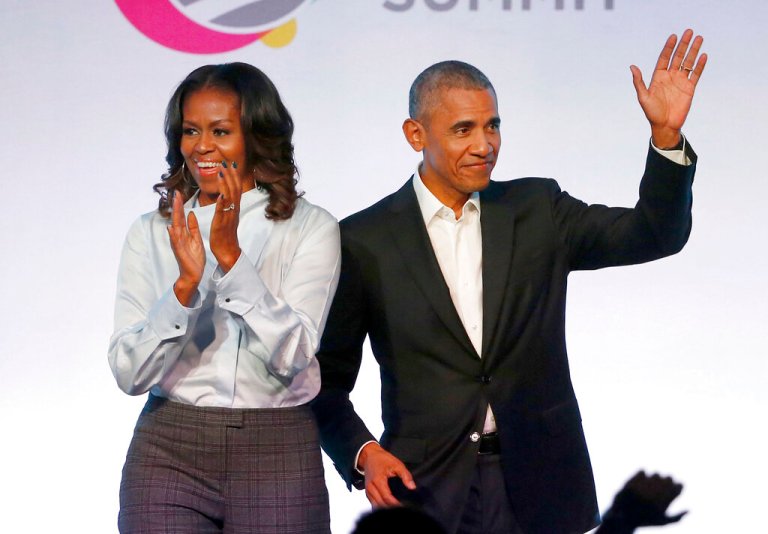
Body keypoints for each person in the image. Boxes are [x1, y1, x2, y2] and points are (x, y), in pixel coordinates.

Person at [311, 30, 706, 534]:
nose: (484, 145)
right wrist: (364, 454)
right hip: (426, 490)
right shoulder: (361, 239)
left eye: (492, 125)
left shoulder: (538, 209)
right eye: (463, 130)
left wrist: (666, 139)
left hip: (540, 481)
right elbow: (323, 381)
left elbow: (653, 235)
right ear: (416, 134)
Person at [108, 62, 340, 533]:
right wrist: (183, 290)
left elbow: (295, 353)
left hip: (275, 445)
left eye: (221, 130)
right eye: (191, 131)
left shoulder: (310, 227)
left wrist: (233, 262)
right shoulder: (151, 232)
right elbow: (129, 373)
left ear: (256, 136)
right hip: (169, 446)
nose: (202, 147)